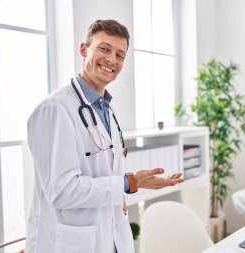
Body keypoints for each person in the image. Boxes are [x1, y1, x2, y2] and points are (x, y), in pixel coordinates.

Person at [25, 19, 184, 253]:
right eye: (104, 48)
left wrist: (133, 182)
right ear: (83, 49)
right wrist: (127, 183)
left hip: (108, 238)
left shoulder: (105, 109)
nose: (112, 60)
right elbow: (62, 191)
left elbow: (102, 172)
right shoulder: (55, 109)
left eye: (120, 55)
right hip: (68, 244)